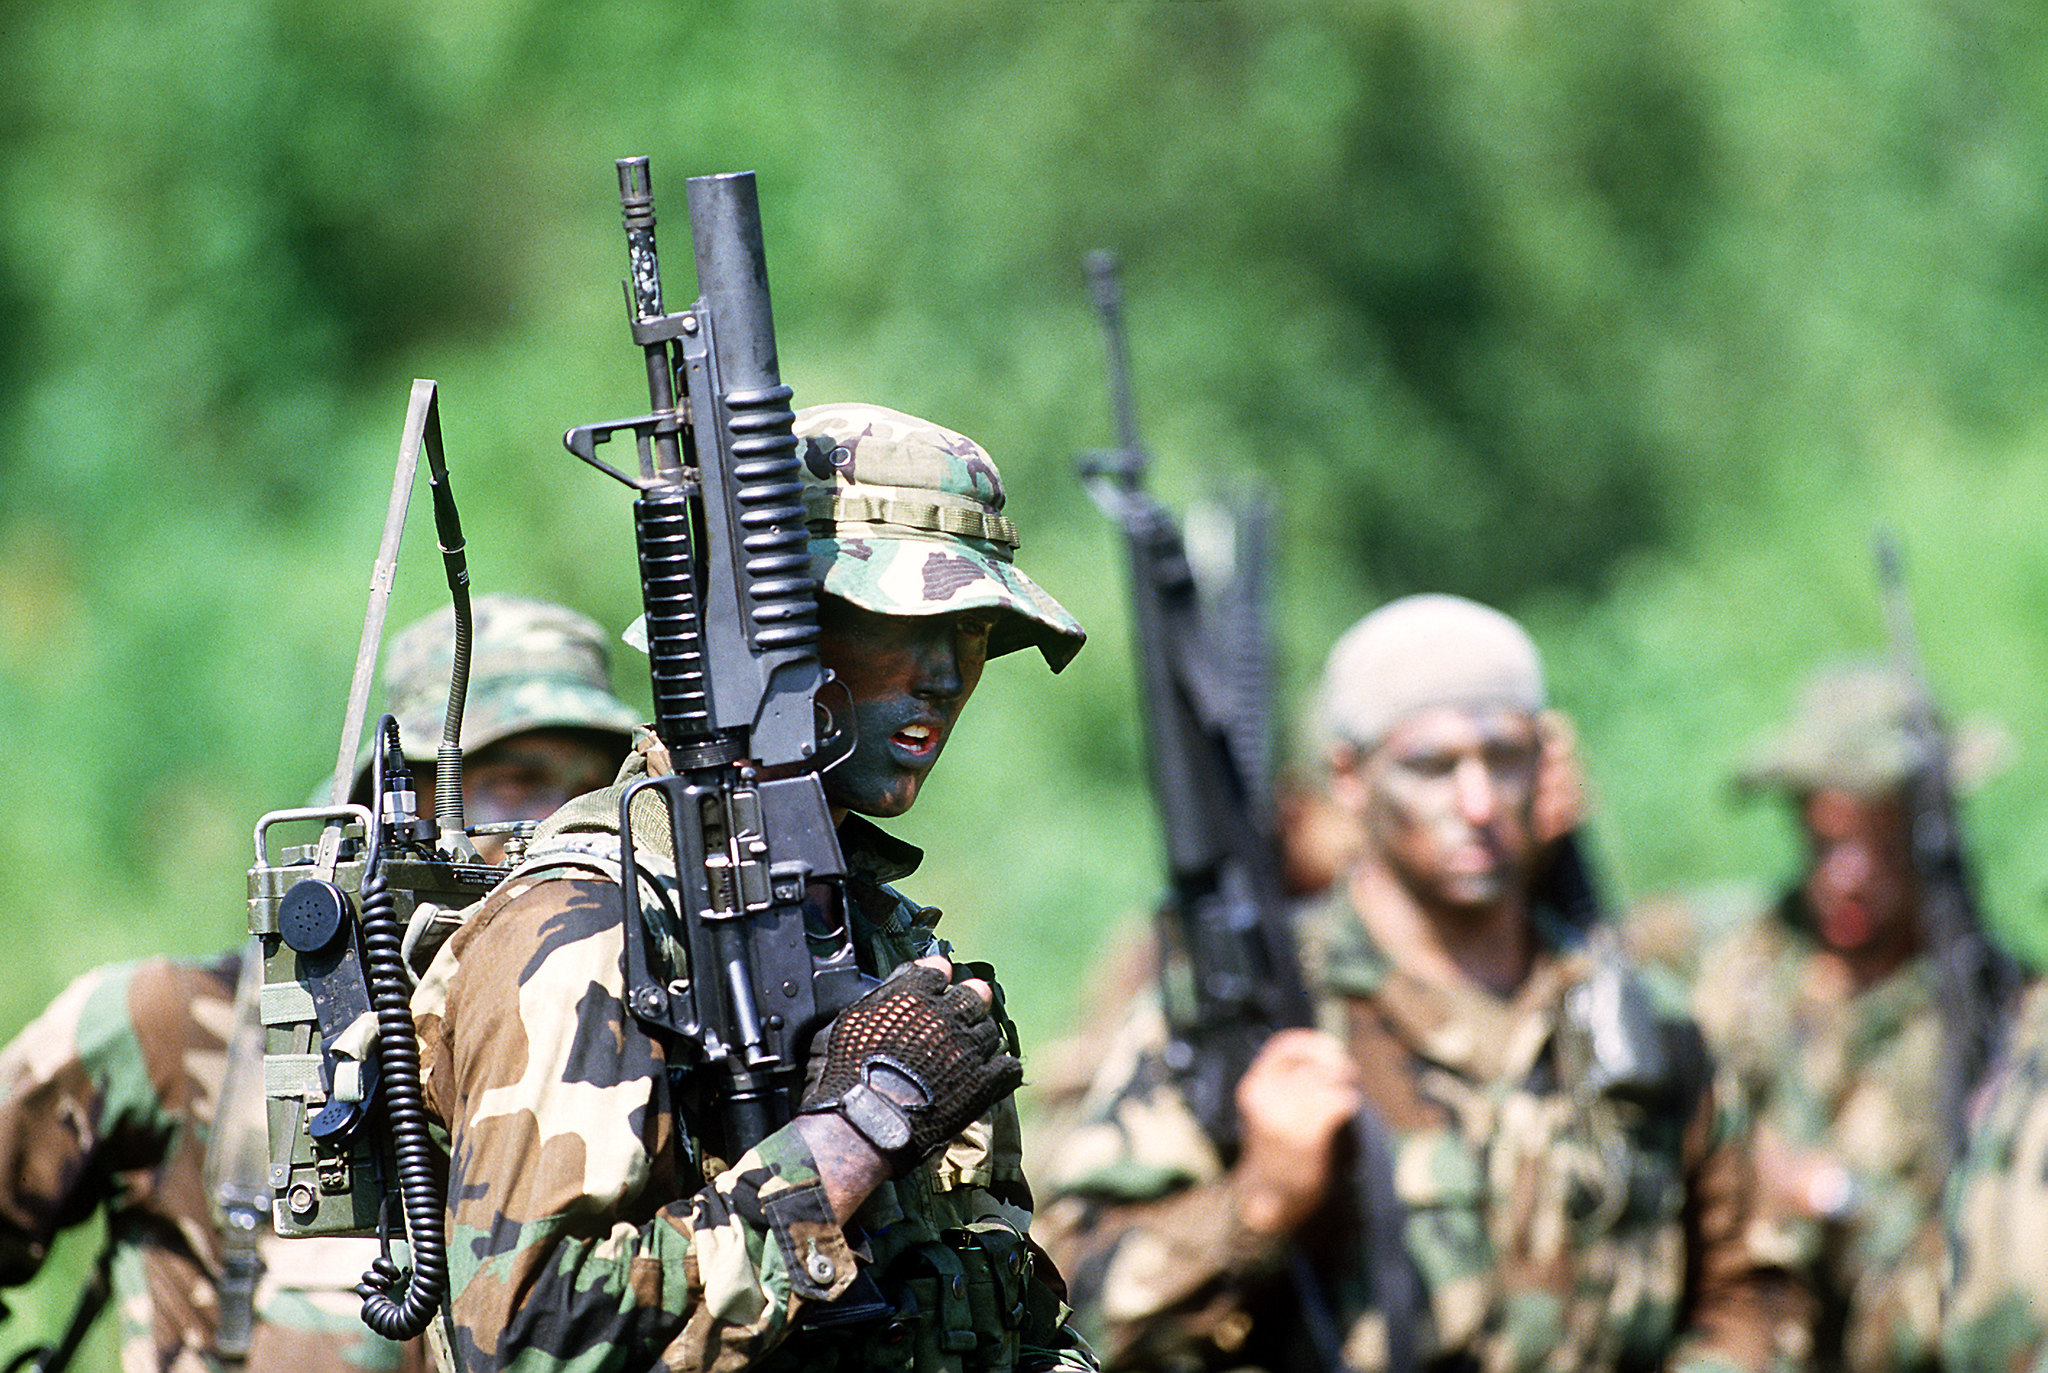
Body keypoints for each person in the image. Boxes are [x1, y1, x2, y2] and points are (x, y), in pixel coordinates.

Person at [409, 403, 1098, 1371]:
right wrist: (854, 1133)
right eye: (903, 619)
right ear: (768, 629)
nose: (945, 671)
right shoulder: (584, 927)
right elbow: (525, 1336)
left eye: (976, 626)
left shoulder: (889, 943)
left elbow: (1001, 1319)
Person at [1035, 593, 1804, 1373]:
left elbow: (1754, 1289)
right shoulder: (1250, 1012)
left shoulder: (1643, 1014)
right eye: (1431, 766)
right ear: (1350, 778)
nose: (1476, 803)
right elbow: (1070, 1308)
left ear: (1544, 763)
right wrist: (1260, 1199)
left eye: (1503, 758)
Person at [0, 594, 642, 1371]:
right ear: (396, 808)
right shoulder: (172, 1027)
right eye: (513, 781)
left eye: (586, 790)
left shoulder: (614, 1048)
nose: (551, 823)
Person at [1683, 662, 2006, 1373]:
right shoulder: (1725, 958)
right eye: (1827, 842)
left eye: (1878, 843)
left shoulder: (1996, 1013)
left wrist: (1833, 1196)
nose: (1847, 874)